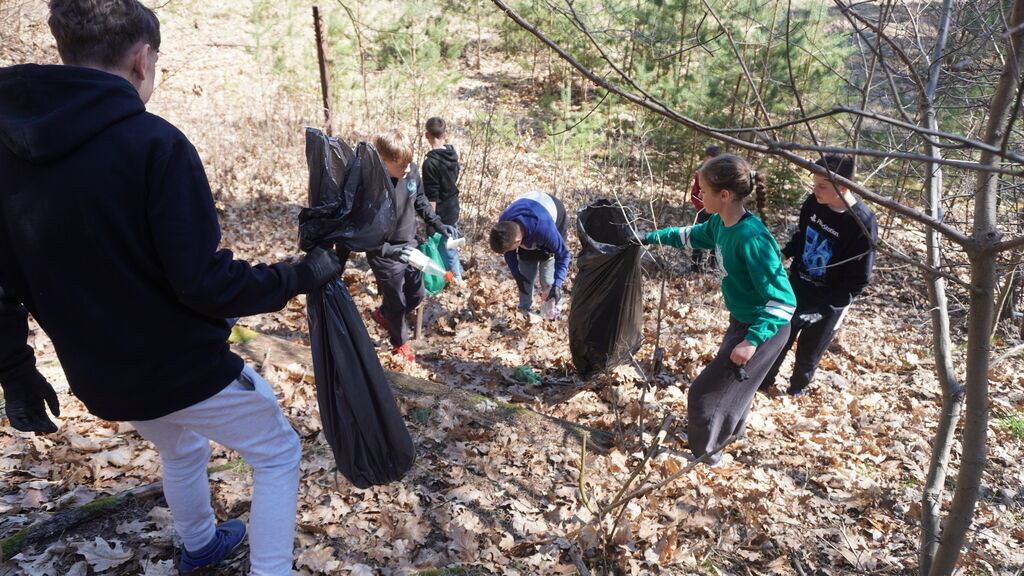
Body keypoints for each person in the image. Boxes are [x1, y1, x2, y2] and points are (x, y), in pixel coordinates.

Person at [0, 1, 342, 574]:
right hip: (183, 370)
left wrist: (14, 373)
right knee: (278, 451)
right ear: (141, 59)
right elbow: (205, 284)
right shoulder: (154, 143)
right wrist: (299, 276)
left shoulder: (6, 151)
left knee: (181, 444)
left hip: (102, 380)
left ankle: (201, 545)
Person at [644, 154, 795, 466]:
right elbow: (690, 236)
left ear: (724, 195)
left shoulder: (751, 238)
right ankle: (726, 439)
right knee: (734, 389)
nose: (698, 196)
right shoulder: (720, 223)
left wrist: (752, 341)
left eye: (704, 190)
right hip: (743, 321)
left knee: (704, 396)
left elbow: (783, 300)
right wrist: (646, 238)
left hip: (765, 328)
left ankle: (707, 458)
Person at [761, 154, 877, 397]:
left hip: (830, 300)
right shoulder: (814, 202)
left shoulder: (862, 223)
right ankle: (762, 385)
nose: (815, 190)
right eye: (814, 184)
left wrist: (822, 310)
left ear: (843, 186)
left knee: (809, 352)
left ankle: (796, 392)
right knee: (779, 337)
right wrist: (784, 254)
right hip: (796, 287)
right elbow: (802, 235)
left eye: (822, 186)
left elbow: (858, 280)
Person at [356, 128, 455, 362]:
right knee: (397, 302)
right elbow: (363, 235)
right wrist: (390, 251)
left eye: (409, 164)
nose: (408, 169)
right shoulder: (370, 187)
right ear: (384, 161)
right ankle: (400, 343)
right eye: (401, 166)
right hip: (384, 252)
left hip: (410, 245)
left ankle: (384, 315)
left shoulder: (410, 173)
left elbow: (420, 200)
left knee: (417, 295)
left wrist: (439, 224)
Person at [489, 191, 570, 316]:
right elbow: (509, 252)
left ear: (517, 241)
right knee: (525, 275)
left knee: (547, 279)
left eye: (508, 250)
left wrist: (557, 284)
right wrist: (516, 274)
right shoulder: (505, 225)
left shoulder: (545, 229)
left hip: (553, 217)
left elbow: (563, 254)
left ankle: (551, 314)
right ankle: (524, 311)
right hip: (527, 227)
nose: (506, 253)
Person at [422, 116, 463, 281]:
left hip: (442, 210)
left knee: (446, 246)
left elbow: (432, 195)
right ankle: (457, 270)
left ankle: (456, 279)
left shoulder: (430, 164)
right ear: (444, 135)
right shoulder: (452, 154)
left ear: (427, 136)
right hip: (454, 204)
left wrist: (431, 220)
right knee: (451, 241)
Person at [689, 145, 722, 273]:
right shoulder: (700, 174)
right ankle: (695, 266)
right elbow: (694, 194)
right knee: (699, 237)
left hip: (718, 212)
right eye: (708, 161)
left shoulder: (722, 176)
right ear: (704, 159)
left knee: (717, 239)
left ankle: (713, 266)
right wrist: (702, 206)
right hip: (703, 211)